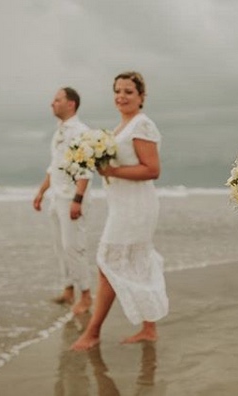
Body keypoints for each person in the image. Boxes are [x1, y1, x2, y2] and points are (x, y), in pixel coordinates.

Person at [71, 71, 168, 350]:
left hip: (136, 208)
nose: (121, 96)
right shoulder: (121, 126)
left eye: (128, 91)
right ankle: (149, 328)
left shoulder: (142, 125)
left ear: (141, 97)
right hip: (122, 206)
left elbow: (152, 169)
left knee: (108, 263)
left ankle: (93, 332)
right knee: (135, 263)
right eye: (118, 91)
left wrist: (111, 170)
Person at [33, 87, 94, 315]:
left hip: (72, 198)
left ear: (71, 104)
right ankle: (68, 289)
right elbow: (54, 166)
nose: (52, 103)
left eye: (57, 100)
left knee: (74, 247)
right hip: (57, 197)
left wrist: (77, 200)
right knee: (60, 246)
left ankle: (86, 295)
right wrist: (41, 192)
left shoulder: (80, 131)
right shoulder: (58, 131)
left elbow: (86, 169)